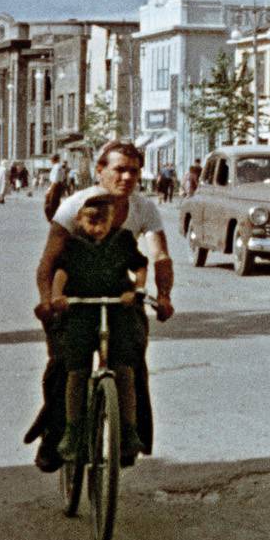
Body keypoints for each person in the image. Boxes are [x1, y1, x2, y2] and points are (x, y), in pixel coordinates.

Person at [30, 142, 176, 471]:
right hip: (72, 296)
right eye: (119, 169)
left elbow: (159, 257)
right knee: (65, 365)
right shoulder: (75, 207)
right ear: (100, 170)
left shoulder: (143, 209)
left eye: (134, 171)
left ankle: (128, 436)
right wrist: (47, 299)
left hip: (117, 296)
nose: (127, 177)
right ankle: (56, 437)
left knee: (132, 358)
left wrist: (163, 295)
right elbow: (49, 261)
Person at [50, 194, 146, 468]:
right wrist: (58, 296)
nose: (97, 227)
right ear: (79, 220)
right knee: (77, 370)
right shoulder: (72, 245)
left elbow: (139, 265)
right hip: (80, 309)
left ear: (112, 220)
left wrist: (136, 290)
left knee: (124, 369)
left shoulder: (123, 240)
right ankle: (72, 431)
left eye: (103, 221)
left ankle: (127, 430)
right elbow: (61, 273)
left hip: (117, 309)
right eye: (91, 221)